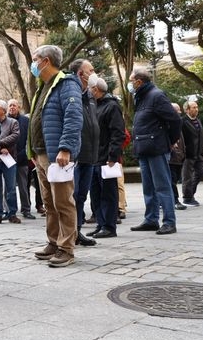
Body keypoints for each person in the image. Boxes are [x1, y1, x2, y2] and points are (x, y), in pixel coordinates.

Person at [28, 44, 83, 268]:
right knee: (49, 203)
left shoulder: (66, 84)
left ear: (46, 61)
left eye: (35, 59)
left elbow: (73, 116)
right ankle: (53, 242)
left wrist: (66, 148)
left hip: (57, 155)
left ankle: (66, 248)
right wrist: (32, 151)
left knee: (63, 202)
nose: (33, 64)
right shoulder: (44, 86)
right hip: (42, 154)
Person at [128, 66, 182, 236]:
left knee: (162, 186)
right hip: (144, 148)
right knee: (149, 188)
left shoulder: (156, 96)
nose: (130, 84)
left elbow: (175, 120)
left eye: (131, 81)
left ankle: (169, 222)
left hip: (156, 148)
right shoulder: (141, 97)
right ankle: (151, 220)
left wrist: (170, 141)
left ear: (139, 81)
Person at [87, 76, 125, 239]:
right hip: (94, 158)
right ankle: (101, 224)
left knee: (108, 194)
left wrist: (113, 156)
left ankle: (109, 226)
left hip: (106, 159)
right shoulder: (94, 105)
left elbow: (118, 133)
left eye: (89, 88)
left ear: (95, 89)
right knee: (96, 194)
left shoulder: (112, 106)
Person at [69, 59, 100, 247]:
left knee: (81, 196)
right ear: (80, 73)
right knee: (72, 196)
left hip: (90, 153)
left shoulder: (89, 95)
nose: (94, 73)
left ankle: (77, 230)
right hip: (76, 154)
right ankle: (69, 232)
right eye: (91, 70)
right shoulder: (69, 93)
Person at [0, 100, 20, 225]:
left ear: (3, 110)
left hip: (9, 159)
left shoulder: (13, 122)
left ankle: (12, 214)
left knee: (11, 189)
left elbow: (15, 136)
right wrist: (0, 148)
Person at [8, 99, 34, 219]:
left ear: (19, 107)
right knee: (8, 187)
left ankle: (26, 209)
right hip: (7, 159)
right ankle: (9, 210)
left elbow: (29, 139)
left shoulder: (25, 121)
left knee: (23, 186)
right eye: (10, 105)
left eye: (14, 105)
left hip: (22, 158)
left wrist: (25, 153)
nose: (12, 107)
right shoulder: (4, 120)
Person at [181, 99, 203, 207]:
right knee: (187, 177)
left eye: (197, 107)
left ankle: (191, 194)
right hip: (188, 154)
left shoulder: (198, 121)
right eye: (194, 107)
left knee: (200, 172)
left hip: (198, 153)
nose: (196, 109)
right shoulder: (182, 122)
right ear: (187, 110)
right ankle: (187, 198)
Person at [169, 103, 187, 210]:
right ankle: (175, 200)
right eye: (177, 111)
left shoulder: (178, 123)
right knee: (171, 181)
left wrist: (183, 153)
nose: (179, 113)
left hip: (179, 157)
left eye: (179, 110)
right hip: (171, 157)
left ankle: (165, 201)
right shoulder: (169, 123)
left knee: (174, 180)